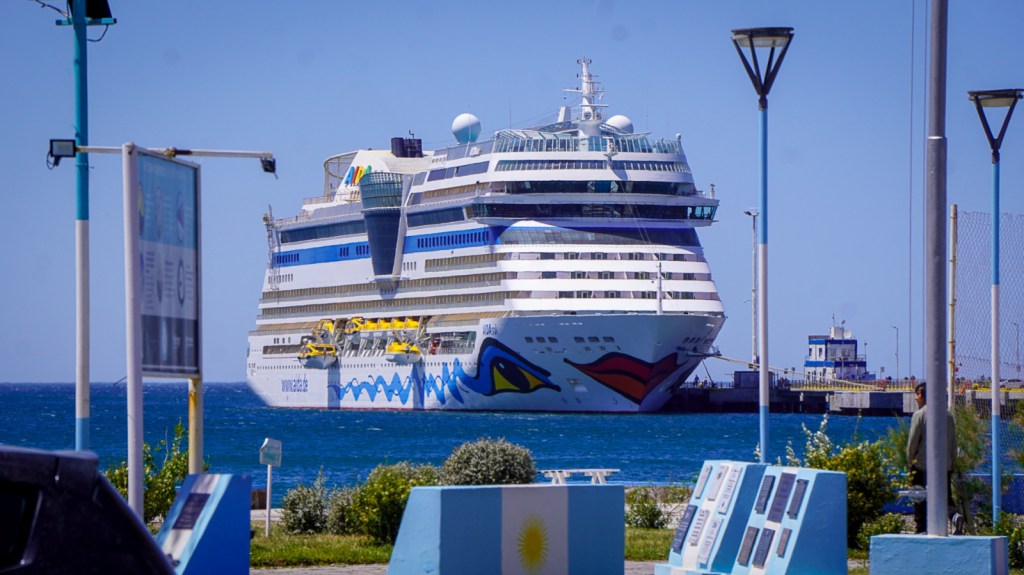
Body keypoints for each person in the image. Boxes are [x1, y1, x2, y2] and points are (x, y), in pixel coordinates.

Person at [906, 381, 965, 534]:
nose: (916, 398)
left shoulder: (919, 415)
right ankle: (954, 516)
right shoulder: (948, 415)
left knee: (919, 498)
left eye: (917, 395)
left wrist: (909, 461)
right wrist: (951, 464)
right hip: (944, 466)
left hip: (921, 466)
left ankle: (921, 530)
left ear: (923, 395)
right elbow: (953, 442)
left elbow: (913, 442)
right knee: (945, 497)